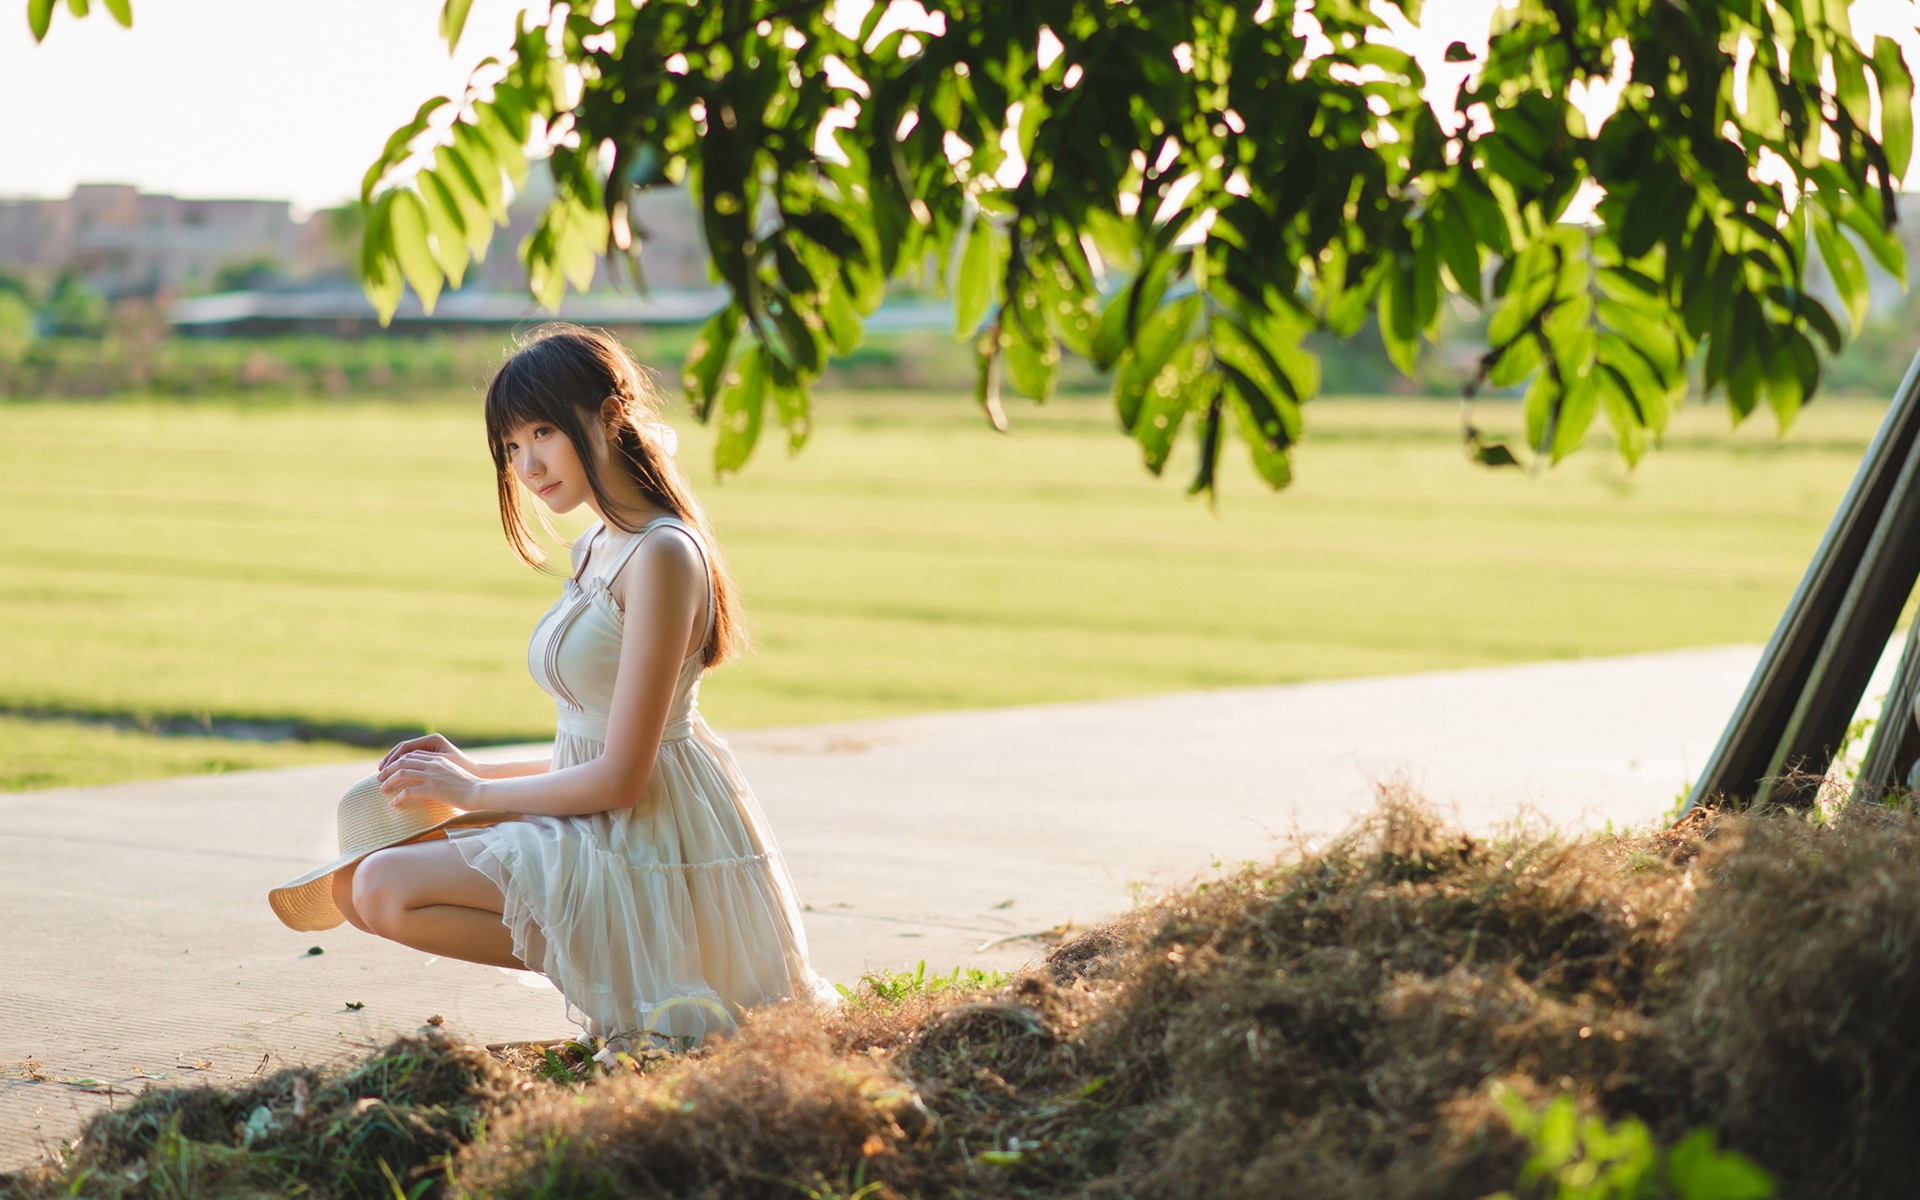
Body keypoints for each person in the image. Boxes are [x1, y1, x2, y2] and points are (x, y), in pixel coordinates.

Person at [331, 323, 835, 1042]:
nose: (528, 463)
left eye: (543, 432)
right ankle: (630, 978)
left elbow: (624, 776)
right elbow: (588, 746)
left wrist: (476, 796)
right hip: (593, 815)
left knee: (382, 887)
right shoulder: (595, 544)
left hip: (646, 832)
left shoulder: (662, 555)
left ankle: (643, 977)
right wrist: (475, 774)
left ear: (607, 416)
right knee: (357, 883)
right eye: (510, 446)